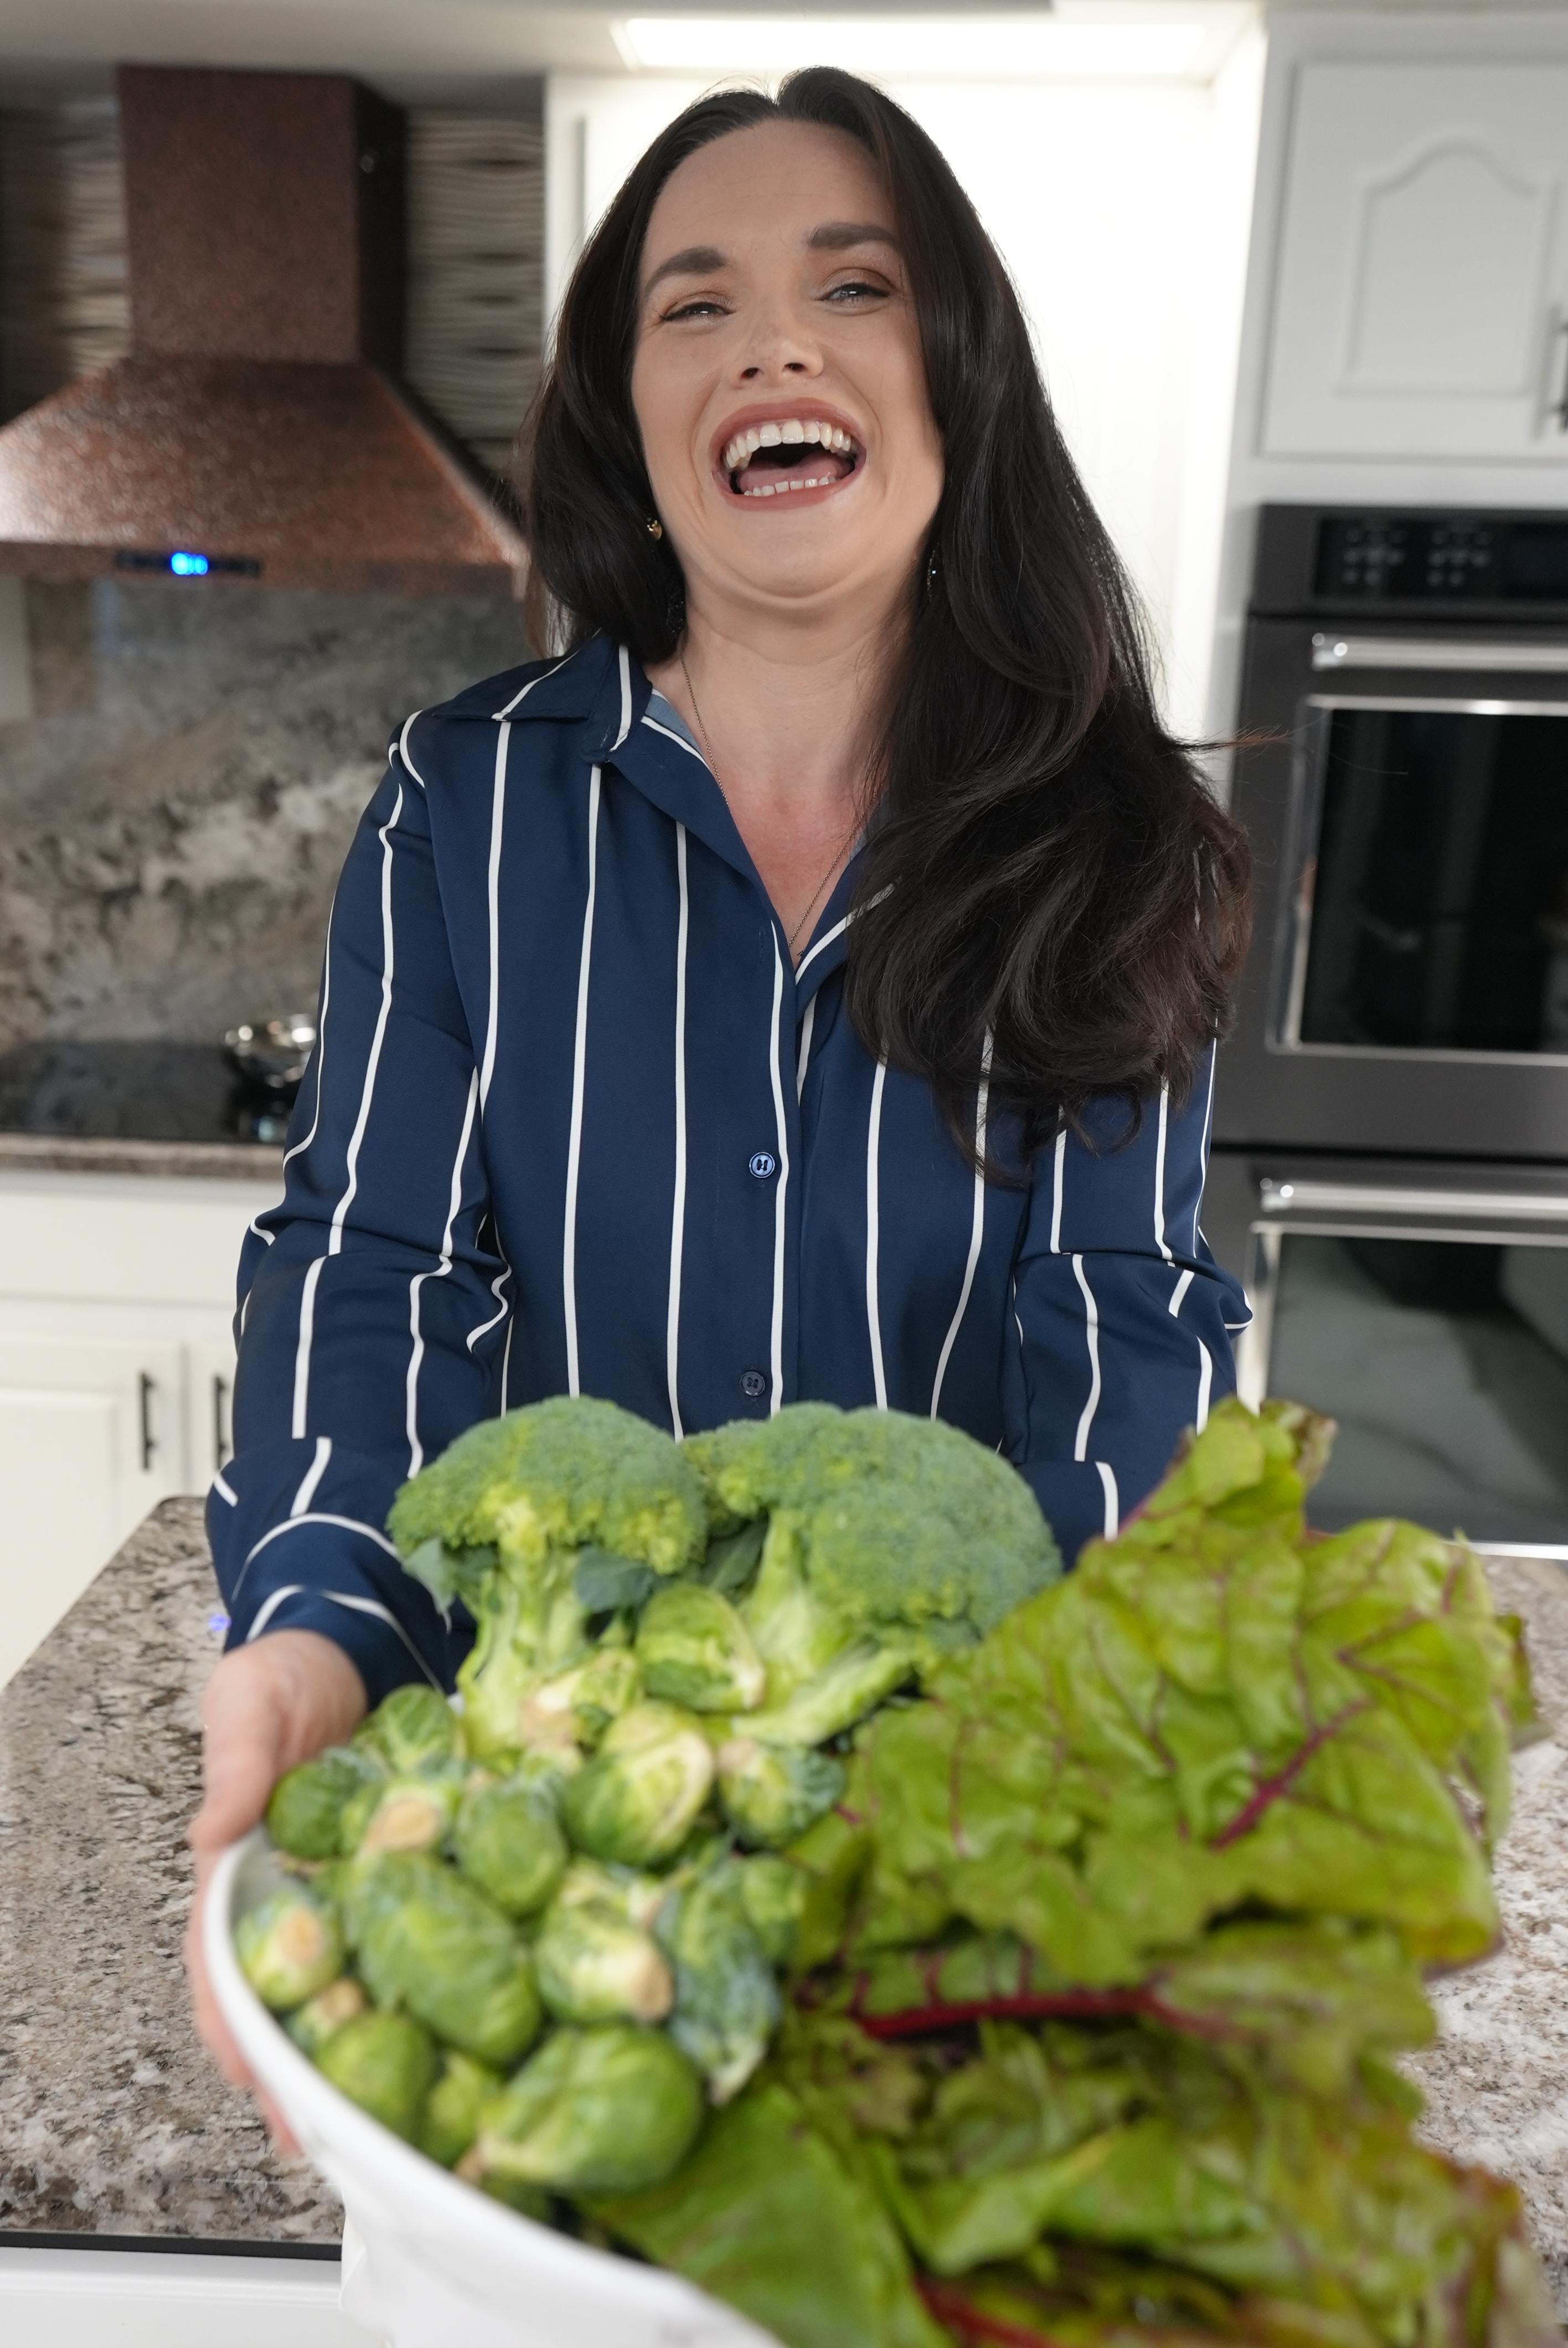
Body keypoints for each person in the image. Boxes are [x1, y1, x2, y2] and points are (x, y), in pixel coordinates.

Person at [186, 67, 1251, 2110]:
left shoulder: (1116, 845)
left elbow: (1125, 1330)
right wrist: (315, 1628)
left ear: (957, 381)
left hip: (926, 1874)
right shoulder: (464, 806)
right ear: (629, 415)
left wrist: (1067, 1734)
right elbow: (369, 1271)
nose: (774, 343)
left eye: (854, 287)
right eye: (697, 304)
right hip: (546, 1841)